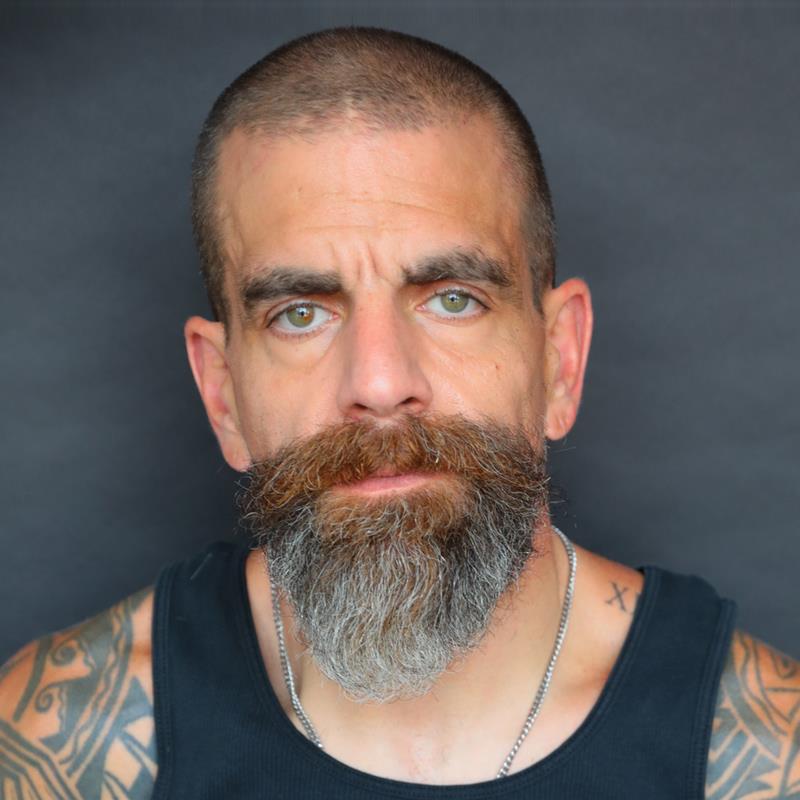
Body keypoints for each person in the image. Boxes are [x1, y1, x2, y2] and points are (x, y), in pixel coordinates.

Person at [1, 26, 797, 800]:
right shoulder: (64, 743)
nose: (380, 384)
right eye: (300, 315)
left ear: (560, 360)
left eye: (453, 300)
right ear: (222, 393)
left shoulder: (762, 754)